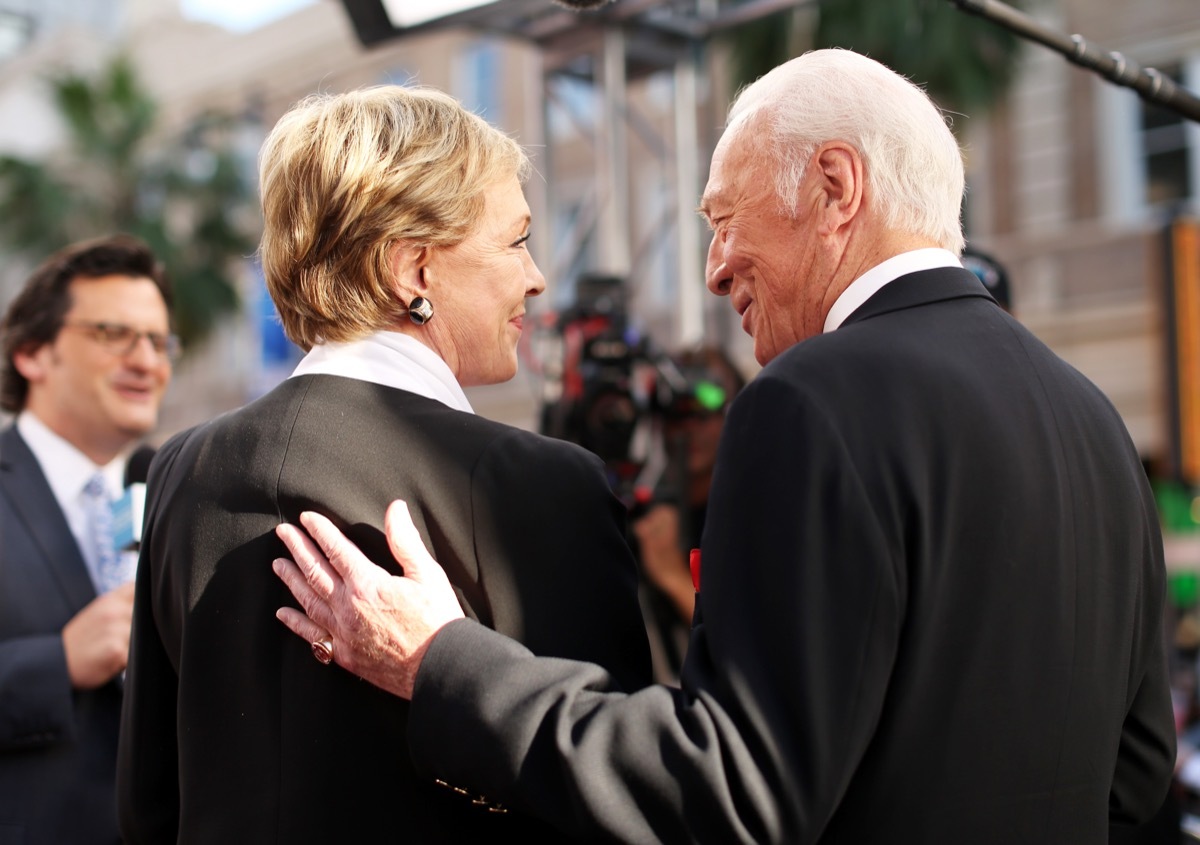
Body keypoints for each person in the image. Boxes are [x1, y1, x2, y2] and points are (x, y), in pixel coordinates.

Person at [271, 49, 1176, 843]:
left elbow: (730, 793)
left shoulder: (808, 402)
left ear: (834, 187)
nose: (714, 267)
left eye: (724, 219)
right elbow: (1134, 774)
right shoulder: (1090, 416)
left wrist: (441, 663)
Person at [116, 85, 651, 844]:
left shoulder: (180, 467)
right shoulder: (537, 484)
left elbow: (149, 799)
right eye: (515, 241)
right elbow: (610, 789)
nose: (535, 277)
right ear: (414, 270)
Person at [0, 234, 174, 845]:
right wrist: (58, 663)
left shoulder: (167, 491)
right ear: (32, 354)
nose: (146, 361)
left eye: (157, 342)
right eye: (112, 334)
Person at [633, 345, 745, 680]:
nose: (689, 427)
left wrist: (673, 576)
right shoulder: (645, 516)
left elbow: (744, 653)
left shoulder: (754, 508)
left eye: (705, 407)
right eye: (676, 412)